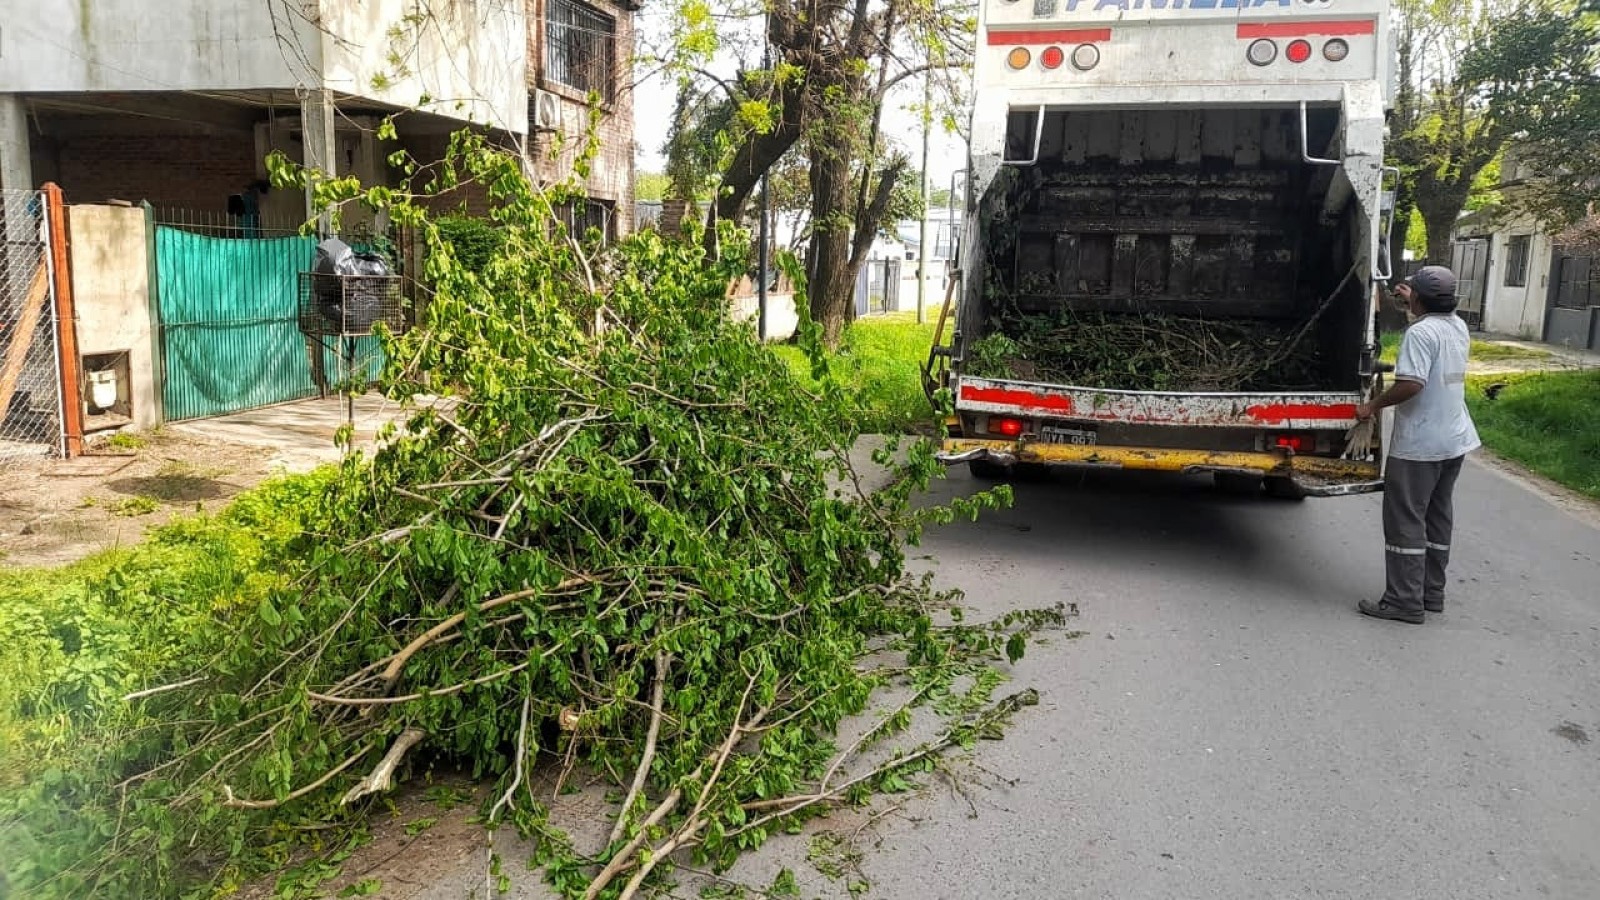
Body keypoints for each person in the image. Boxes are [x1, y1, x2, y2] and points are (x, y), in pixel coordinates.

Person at [1355, 265, 1480, 624]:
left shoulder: (1420, 334)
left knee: (1405, 518)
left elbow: (1411, 383)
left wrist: (1371, 407)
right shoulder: (1457, 326)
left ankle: (1402, 601)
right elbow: (1437, 313)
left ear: (1422, 300)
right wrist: (1416, 300)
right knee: (1437, 515)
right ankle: (1430, 593)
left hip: (1421, 445)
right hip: (1454, 438)